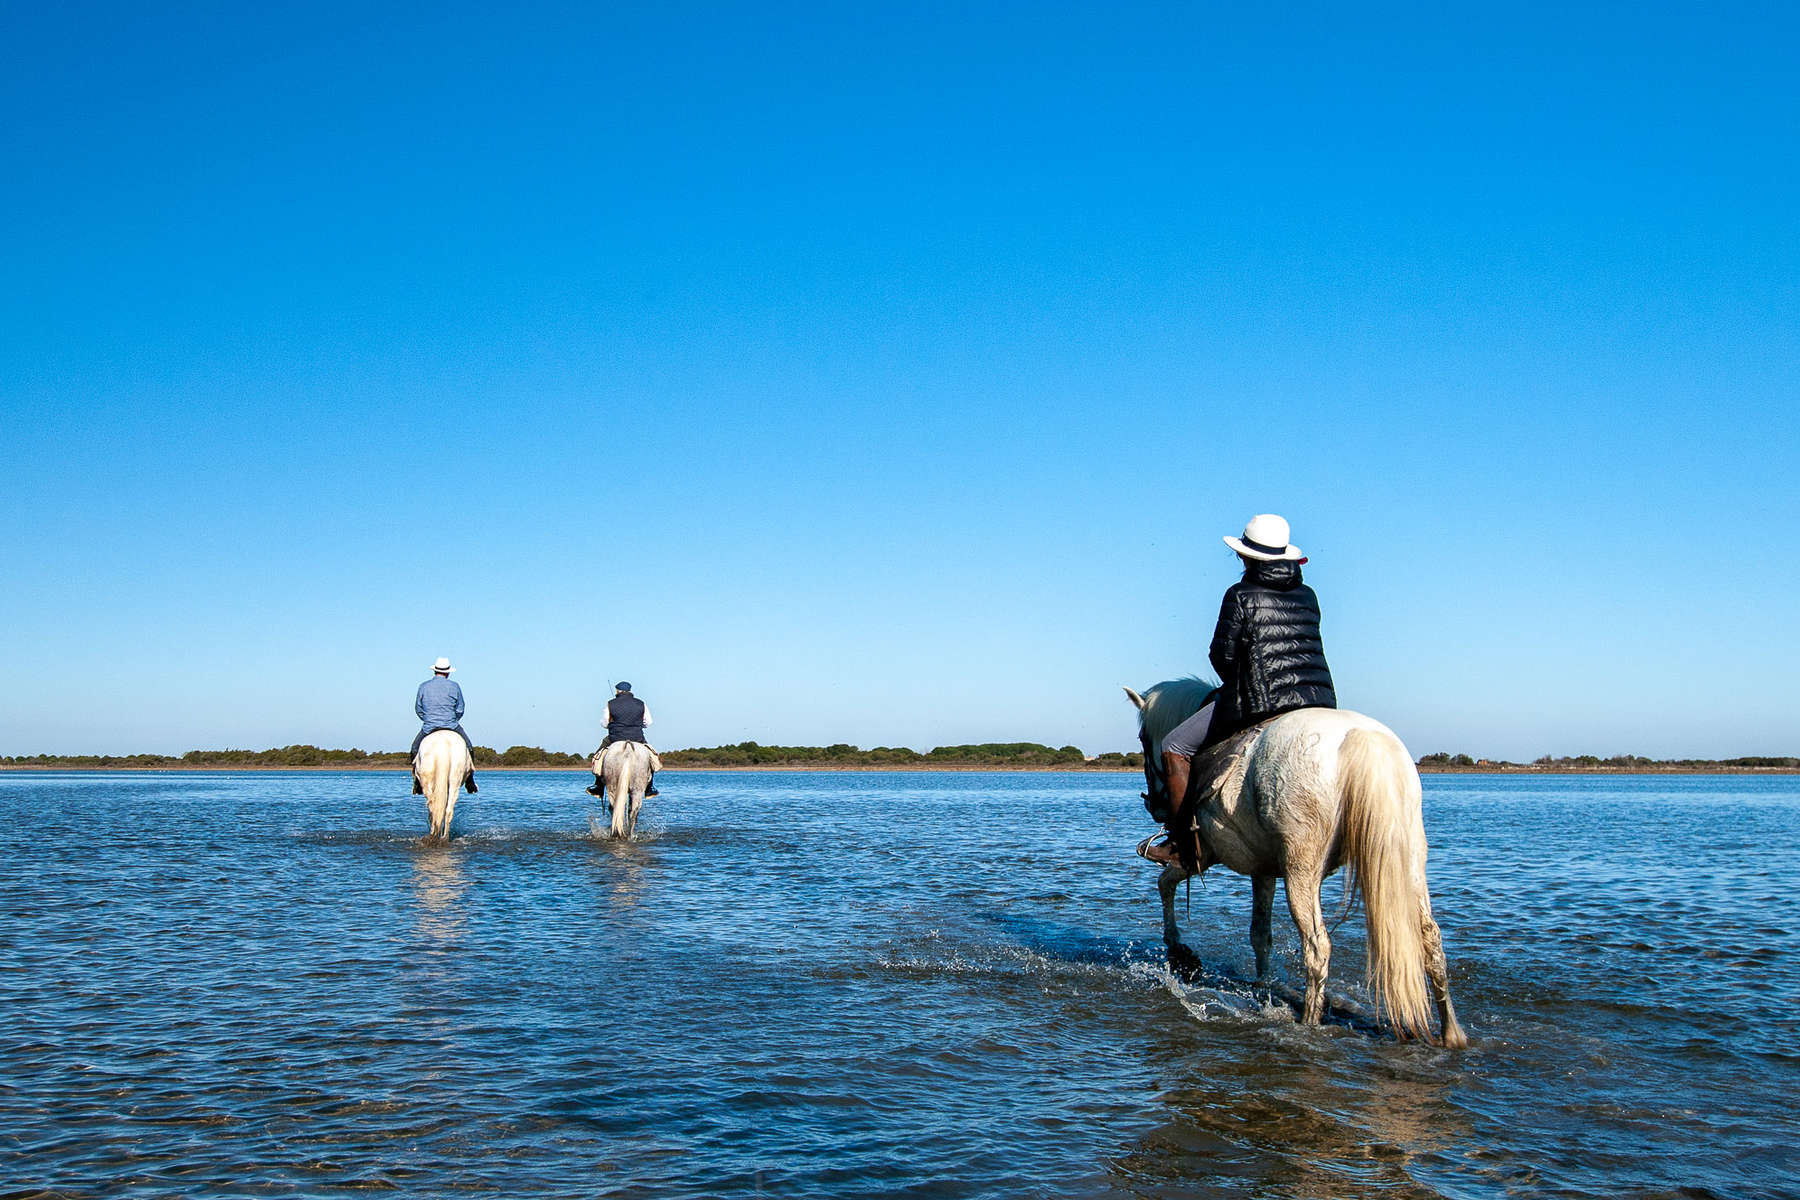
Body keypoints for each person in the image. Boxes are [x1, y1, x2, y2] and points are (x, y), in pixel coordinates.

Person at [1160, 514, 1336, 830]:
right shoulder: (1309, 594)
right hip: (1318, 701)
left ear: (1246, 556)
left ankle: (1182, 844)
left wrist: (1241, 685)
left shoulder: (1239, 594)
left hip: (1261, 702)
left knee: (1174, 746)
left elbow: (1221, 656)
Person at [411, 657, 477, 794]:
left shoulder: (423, 686)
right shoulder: (454, 686)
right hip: (451, 725)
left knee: (414, 749)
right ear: (448, 672)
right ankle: (470, 782)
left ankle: (417, 782)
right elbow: (460, 709)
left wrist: (428, 719)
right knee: (469, 748)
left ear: (435, 671)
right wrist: (452, 719)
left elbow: (418, 709)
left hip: (429, 726)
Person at [587, 681, 659, 797]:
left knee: (599, 756)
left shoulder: (610, 704)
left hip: (615, 738)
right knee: (651, 757)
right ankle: (650, 787)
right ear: (630, 690)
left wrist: (612, 725)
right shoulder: (641, 703)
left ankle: (598, 786)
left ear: (617, 691)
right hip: (637, 737)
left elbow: (604, 723)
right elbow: (648, 722)